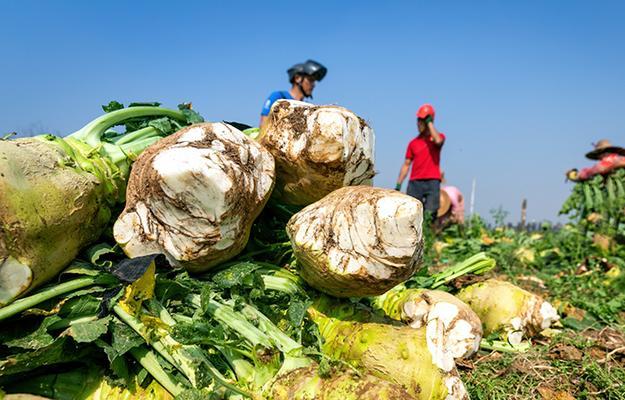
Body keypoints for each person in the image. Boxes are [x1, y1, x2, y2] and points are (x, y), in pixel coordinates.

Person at [395, 104, 446, 221]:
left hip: (432, 182)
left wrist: (429, 123)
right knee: (411, 213)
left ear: (429, 120)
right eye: (418, 120)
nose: (418, 123)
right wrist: (398, 185)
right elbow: (406, 164)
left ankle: (428, 236)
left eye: (421, 120)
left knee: (430, 214)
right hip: (415, 183)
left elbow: (438, 140)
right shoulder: (413, 143)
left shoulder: (438, 138)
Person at [259, 60, 327, 128]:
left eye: (314, 81)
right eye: (310, 80)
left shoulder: (307, 108)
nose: (313, 85)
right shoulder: (278, 97)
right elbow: (263, 124)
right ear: (297, 78)